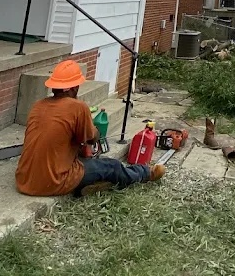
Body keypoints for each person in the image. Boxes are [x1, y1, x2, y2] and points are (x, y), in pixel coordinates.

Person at [15, 58, 165, 198]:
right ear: (74, 88)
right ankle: (145, 173)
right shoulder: (77, 107)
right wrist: (95, 130)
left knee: (84, 160)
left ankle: (91, 184)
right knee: (111, 166)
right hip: (53, 183)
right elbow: (92, 139)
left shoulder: (38, 105)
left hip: (23, 180)